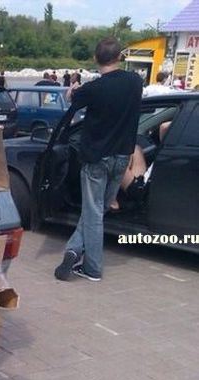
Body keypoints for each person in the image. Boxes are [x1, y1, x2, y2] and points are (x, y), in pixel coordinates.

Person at [54, 37, 142, 282]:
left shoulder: (93, 89)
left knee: (93, 213)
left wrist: (71, 91)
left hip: (96, 159)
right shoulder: (135, 81)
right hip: (122, 158)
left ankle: (92, 268)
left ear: (95, 58)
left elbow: (72, 100)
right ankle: (74, 249)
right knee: (99, 209)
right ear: (120, 57)